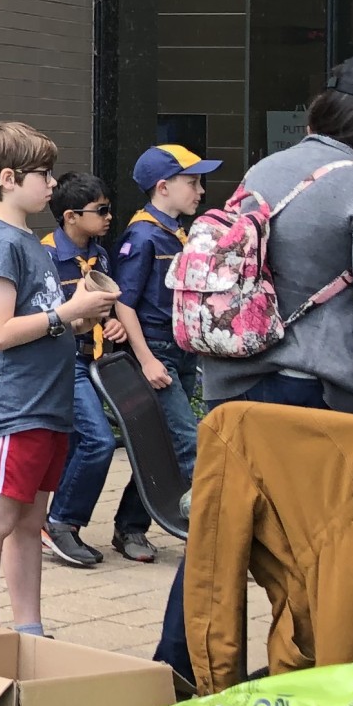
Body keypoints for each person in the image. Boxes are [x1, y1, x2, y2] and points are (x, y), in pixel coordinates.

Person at [157, 56, 353, 678]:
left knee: (217, 545)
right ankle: (315, 686)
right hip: (306, 401)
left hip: (235, 393)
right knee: (324, 559)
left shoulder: (273, 167)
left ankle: (177, 672)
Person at [0, 122, 115, 633]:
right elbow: (0, 332)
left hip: (45, 405)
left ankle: (28, 629)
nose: (51, 184)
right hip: (14, 408)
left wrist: (78, 316)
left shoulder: (28, 242)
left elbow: (39, 316)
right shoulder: (2, 243)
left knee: (29, 524)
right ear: (8, 177)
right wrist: (67, 314)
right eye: (42, 174)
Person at [107, 143, 217, 516]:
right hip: (158, 352)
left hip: (181, 350)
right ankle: (210, 527)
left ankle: (131, 525)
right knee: (189, 444)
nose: (200, 192)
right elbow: (123, 302)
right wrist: (148, 360)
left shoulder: (175, 231)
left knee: (165, 446)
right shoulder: (143, 236)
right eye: (192, 182)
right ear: (163, 187)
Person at [39, 172, 139, 569]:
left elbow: (106, 308)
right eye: (101, 210)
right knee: (98, 442)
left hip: (96, 361)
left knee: (79, 444)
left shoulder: (100, 253)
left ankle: (56, 523)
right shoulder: (44, 256)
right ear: (70, 216)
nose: (110, 216)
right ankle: (60, 523)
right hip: (64, 364)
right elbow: (42, 316)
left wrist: (112, 323)